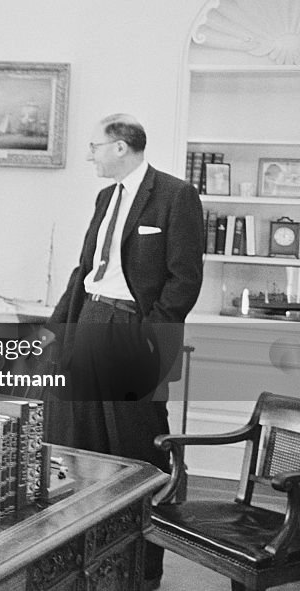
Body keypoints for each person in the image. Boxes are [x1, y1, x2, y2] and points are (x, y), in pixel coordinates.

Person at [43, 113, 204, 590]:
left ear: (120, 146)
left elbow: (184, 279)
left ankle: (140, 572)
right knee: (78, 443)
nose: (89, 155)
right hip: (90, 320)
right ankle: (82, 566)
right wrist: (55, 330)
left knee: (134, 450)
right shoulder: (105, 197)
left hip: (134, 329)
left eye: (94, 146)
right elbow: (84, 270)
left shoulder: (175, 195)